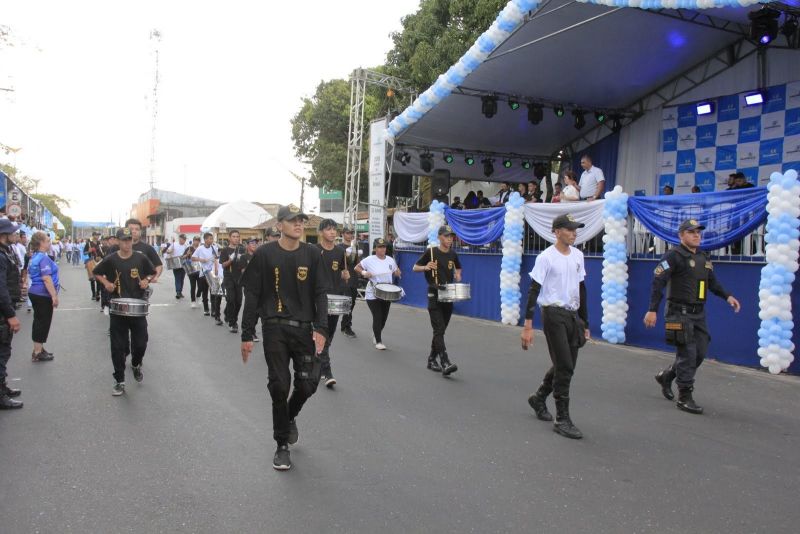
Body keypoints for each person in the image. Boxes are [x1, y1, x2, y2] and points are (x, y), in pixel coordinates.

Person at [240, 205, 329, 471]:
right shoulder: (264, 255)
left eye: (301, 220)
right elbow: (253, 295)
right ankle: (282, 445)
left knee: (308, 384)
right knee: (279, 384)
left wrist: (321, 328)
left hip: (304, 329)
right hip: (274, 328)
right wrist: (247, 333)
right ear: (280, 225)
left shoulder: (313, 254)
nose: (299, 224)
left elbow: (320, 293)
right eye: (292, 221)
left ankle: (288, 416)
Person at [645, 219, 741, 414]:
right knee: (687, 354)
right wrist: (652, 309)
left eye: (698, 232)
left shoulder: (703, 258)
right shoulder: (673, 255)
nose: (696, 235)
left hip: (698, 313)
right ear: (681, 236)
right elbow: (658, 281)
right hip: (677, 313)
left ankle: (667, 375)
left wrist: (728, 296)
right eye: (691, 232)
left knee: (700, 352)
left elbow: (712, 283)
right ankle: (685, 397)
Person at [521, 214, 590, 440]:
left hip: (572, 316)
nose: (574, 233)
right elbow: (533, 290)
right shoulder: (546, 257)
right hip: (553, 314)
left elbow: (581, 289)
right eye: (569, 229)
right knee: (565, 366)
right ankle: (562, 418)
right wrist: (528, 325)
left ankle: (539, 397)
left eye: (575, 229)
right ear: (557, 231)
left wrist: (585, 322)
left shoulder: (578, 255)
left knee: (565, 364)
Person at [93, 228, 157, 396]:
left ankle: (136, 364)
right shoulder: (111, 259)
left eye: (129, 240)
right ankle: (119, 380)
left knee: (141, 343)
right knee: (118, 347)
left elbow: (153, 272)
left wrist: (146, 280)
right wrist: (106, 283)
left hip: (138, 307)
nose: (127, 243)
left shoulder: (141, 258)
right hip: (118, 308)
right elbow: (96, 272)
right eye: (123, 240)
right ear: (118, 241)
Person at [412, 225, 461, 376]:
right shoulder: (431, 252)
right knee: (439, 328)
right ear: (440, 237)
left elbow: (458, 268)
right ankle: (445, 361)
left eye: (451, 237)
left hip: (448, 295)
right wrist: (426, 267)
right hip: (434, 294)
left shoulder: (453, 254)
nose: (449, 239)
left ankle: (431, 358)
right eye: (446, 236)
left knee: (441, 330)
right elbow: (415, 267)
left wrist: (458, 275)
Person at [314, 219, 350, 388]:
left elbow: (343, 271)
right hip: (318, 298)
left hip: (335, 297)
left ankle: (318, 358)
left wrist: (345, 275)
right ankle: (327, 372)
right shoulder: (314, 251)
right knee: (322, 331)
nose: (333, 232)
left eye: (334, 229)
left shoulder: (339, 252)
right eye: (328, 229)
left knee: (330, 334)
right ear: (321, 232)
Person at [355, 238, 401, 350]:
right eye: (380, 247)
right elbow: (357, 267)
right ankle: (379, 341)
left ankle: (376, 333)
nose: (382, 249)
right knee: (378, 316)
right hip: (373, 292)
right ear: (375, 248)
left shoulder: (390, 259)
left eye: (384, 247)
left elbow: (396, 270)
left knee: (383, 318)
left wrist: (397, 272)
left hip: (387, 292)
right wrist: (364, 272)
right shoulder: (369, 259)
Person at [0, 218, 23, 409]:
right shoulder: (0, 255)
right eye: (12, 232)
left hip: (6, 310)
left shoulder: (5, 252)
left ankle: (2, 387)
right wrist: (10, 314)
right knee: (1, 353)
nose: (15, 235)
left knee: (4, 352)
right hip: (2, 313)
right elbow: (1, 289)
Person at [27, 232, 59, 362]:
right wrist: (54, 296)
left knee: (39, 321)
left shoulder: (35, 257)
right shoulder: (43, 258)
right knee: (42, 322)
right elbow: (46, 278)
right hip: (42, 293)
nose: (49, 242)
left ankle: (39, 348)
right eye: (47, 240)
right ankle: (37, 351)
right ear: (40, 243)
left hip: (35, 292)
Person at [219, 230, 247, 333]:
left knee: (238, 301)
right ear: (229, 238)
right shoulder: (225, 250)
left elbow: (246, 263)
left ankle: (228, 313)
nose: (236, 238)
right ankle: (232, 322)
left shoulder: (242, 249)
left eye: (237, 236)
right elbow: (223, 265)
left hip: (239, 278)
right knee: (231, 300)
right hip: (229, 277)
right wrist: (230, 260)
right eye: (234, 236)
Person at [339, 225, 361, 338]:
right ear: (342, 234)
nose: (350, 235)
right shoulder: (339, 247)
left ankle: (345, 325)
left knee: (351, 304)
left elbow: (357, 263)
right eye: (348, 233)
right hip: (344, 280)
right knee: (346, 303)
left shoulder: (355, 247)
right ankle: (346, 326)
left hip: (354, 279)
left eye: (351, 233)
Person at [191, 232, 218, 317]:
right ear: (205, 239)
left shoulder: (214, 248)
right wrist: (201, 259)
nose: (211, 240)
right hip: (203, 273)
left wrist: (216, 266)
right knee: (205, 291)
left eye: (212, 239)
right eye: (209, 238)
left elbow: (217, 258)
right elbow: (193, 258)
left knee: (213, 292)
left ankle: (213, 310)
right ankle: (206, 309)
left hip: (212, 273)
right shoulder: (200, 248)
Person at [240, 237, 261, 343]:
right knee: (249, 310)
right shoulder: (244, 257)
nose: (254, 244)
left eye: (256, 243)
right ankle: (247, 331)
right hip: (249, 287)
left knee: (257, 311)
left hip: (259, 287)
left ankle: (252, 330)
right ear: (247, 245)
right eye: (252, 243)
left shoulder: (259, 256)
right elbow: (244, 271)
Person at [164, 234, 189, 300]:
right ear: (179, 238)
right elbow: (168, 251)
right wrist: (169, 251)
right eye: (182, 239)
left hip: (183, 264)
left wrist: (187, 255)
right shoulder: (174, 244)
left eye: (184, 239)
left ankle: (180, 292)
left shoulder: (186, 246)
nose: (183, 240)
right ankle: (178, 292)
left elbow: (187, 254)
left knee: (182, 279)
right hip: (175, 263)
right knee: (177, 278)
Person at [182, 236, 201, 308]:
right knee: (193, 286)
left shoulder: (200, 249)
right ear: (193, 241)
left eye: (198, 240)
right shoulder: (189, 248)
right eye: (195, 240)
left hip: (199, 269)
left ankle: (198, 296)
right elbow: (182, 257)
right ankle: (193, 301)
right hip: (191, 269)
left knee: (200, 286)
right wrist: (187, 254)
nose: (196, 242)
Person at [84, 232, 102, 301]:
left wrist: (100, 257)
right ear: (93, 236)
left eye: (98, 235)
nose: (97, 236)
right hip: (91, 262)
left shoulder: (100, 243)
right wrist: (89, 251)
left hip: (99, 262)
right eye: (96, 235)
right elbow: (84, 253)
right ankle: (93, 294)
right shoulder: (88, 243)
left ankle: (98, 294)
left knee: (99, 279)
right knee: (92, 279)